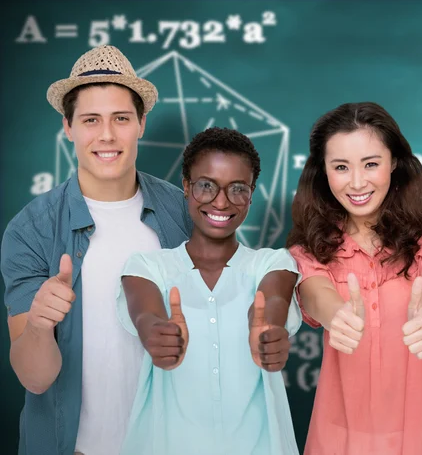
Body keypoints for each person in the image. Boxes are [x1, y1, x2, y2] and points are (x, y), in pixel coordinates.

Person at [0, 45, 192, 455]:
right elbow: (35, 379)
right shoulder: (30, 230)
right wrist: (37, 324)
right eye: (90, 120)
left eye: (120, 118)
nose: (106, 135)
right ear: (67, 127)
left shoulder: (184, 211)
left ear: (141, 123)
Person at [286, 102, 422, 455]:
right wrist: (336, 315)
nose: (357, 182)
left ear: (394, 164)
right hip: (344, 437)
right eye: (341, 167)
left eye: (371, 164)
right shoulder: (310, 248)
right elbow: (315, 291)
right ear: (323, 172)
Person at [117, 127, 301, 455]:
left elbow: (273, 298)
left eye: (237, 189)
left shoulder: (271, 262)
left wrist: (269, 329)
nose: (221, 202)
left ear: (252, 193)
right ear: (186, 186)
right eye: (206, 185)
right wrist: (157, 333)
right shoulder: (148, 267)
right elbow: (145, 314)